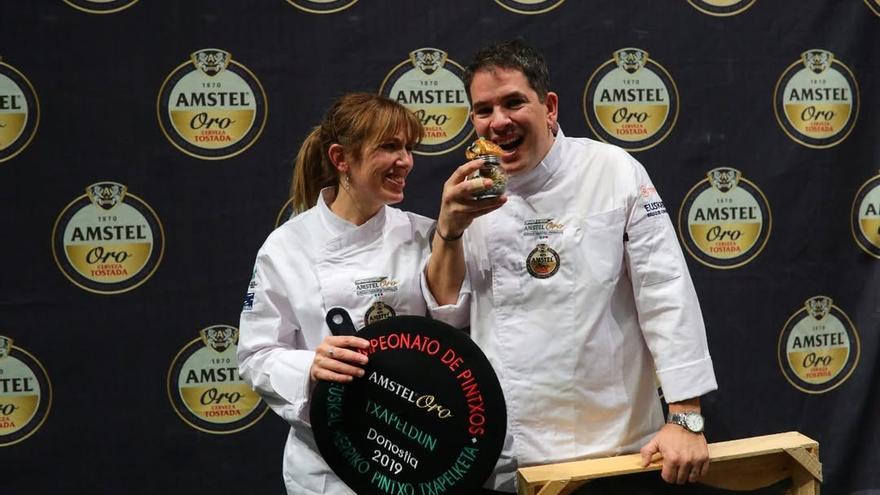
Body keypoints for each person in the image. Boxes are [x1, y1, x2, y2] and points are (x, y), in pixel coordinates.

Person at [425, 39, 719, 493]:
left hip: (618, 449)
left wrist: (687, 416)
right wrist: (449, 231)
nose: (498, 121)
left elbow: (665, 291)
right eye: (483, 110)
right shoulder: (468, 195)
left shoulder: (614, 170)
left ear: (549, 107)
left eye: (513, 102)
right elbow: (450, 318)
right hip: (510, 454)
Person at [236, 93, 503, 495]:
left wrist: (451, 232)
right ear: (341, 158)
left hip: (419, 454)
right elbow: (256, 356)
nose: (406, 161)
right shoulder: (287, 246)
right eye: (390, 147)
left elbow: (455, 327)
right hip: (329, 469)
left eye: (409, 148)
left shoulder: (422, 233)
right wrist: (311, 366)